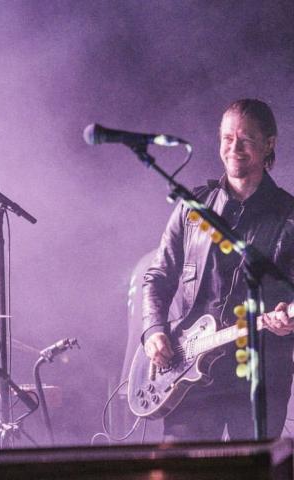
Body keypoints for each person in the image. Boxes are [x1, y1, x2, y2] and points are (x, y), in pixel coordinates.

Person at [142, 98, 294, 441]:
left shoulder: (289, 216)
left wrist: (288, 324)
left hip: (260, 378)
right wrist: (153, 330)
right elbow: (158, 277)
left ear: (269, 143)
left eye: (246, 139)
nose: (234, 148)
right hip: (188, 374)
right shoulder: (193, 208)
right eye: (227, 138)